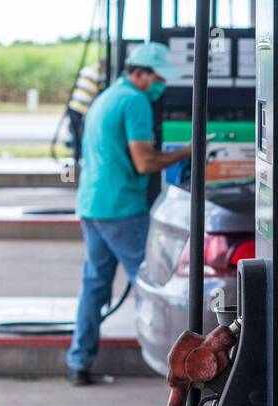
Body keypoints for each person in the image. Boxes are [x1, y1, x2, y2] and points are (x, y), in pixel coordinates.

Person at [67, 43, 191, 385]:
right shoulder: (135, 102)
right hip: (121, 208)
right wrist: (187, 151)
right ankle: (165, 363)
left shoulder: (106, 97)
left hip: (93, 205)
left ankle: (79, 362)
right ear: (140, 73)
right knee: (148, 282)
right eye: (159, 78)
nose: (161, 86)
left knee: (94, 285)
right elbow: (145, 162)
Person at [65, 61, 105, 166]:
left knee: (76, 134)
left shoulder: (86, 71)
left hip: (73, 106)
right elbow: (99, 91)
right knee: (79, 135)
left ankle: (77, 159)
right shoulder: (98, 76)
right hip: (80, 108)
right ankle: (77, 160)